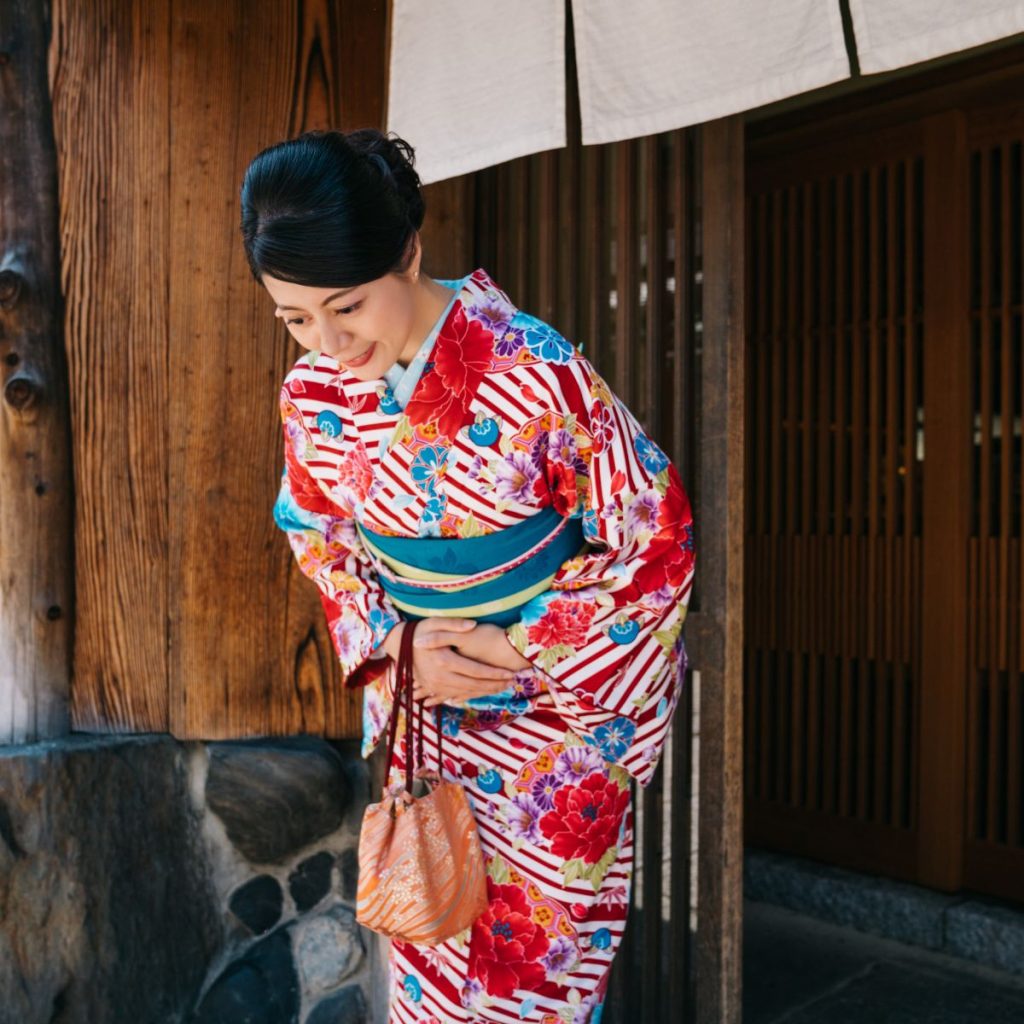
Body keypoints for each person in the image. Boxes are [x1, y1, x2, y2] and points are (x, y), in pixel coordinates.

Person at [239, 127, 695, 1024]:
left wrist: (511, 648)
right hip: (432, 714)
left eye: (348, 307)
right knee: (431, 947)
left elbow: (655, 538)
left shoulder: (534, 367)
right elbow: (317, 531)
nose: (328, 344)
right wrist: (397, 646)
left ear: (408, 252)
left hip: (551, 730)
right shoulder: (311, 401)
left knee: (536, 981)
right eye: (295, 319)